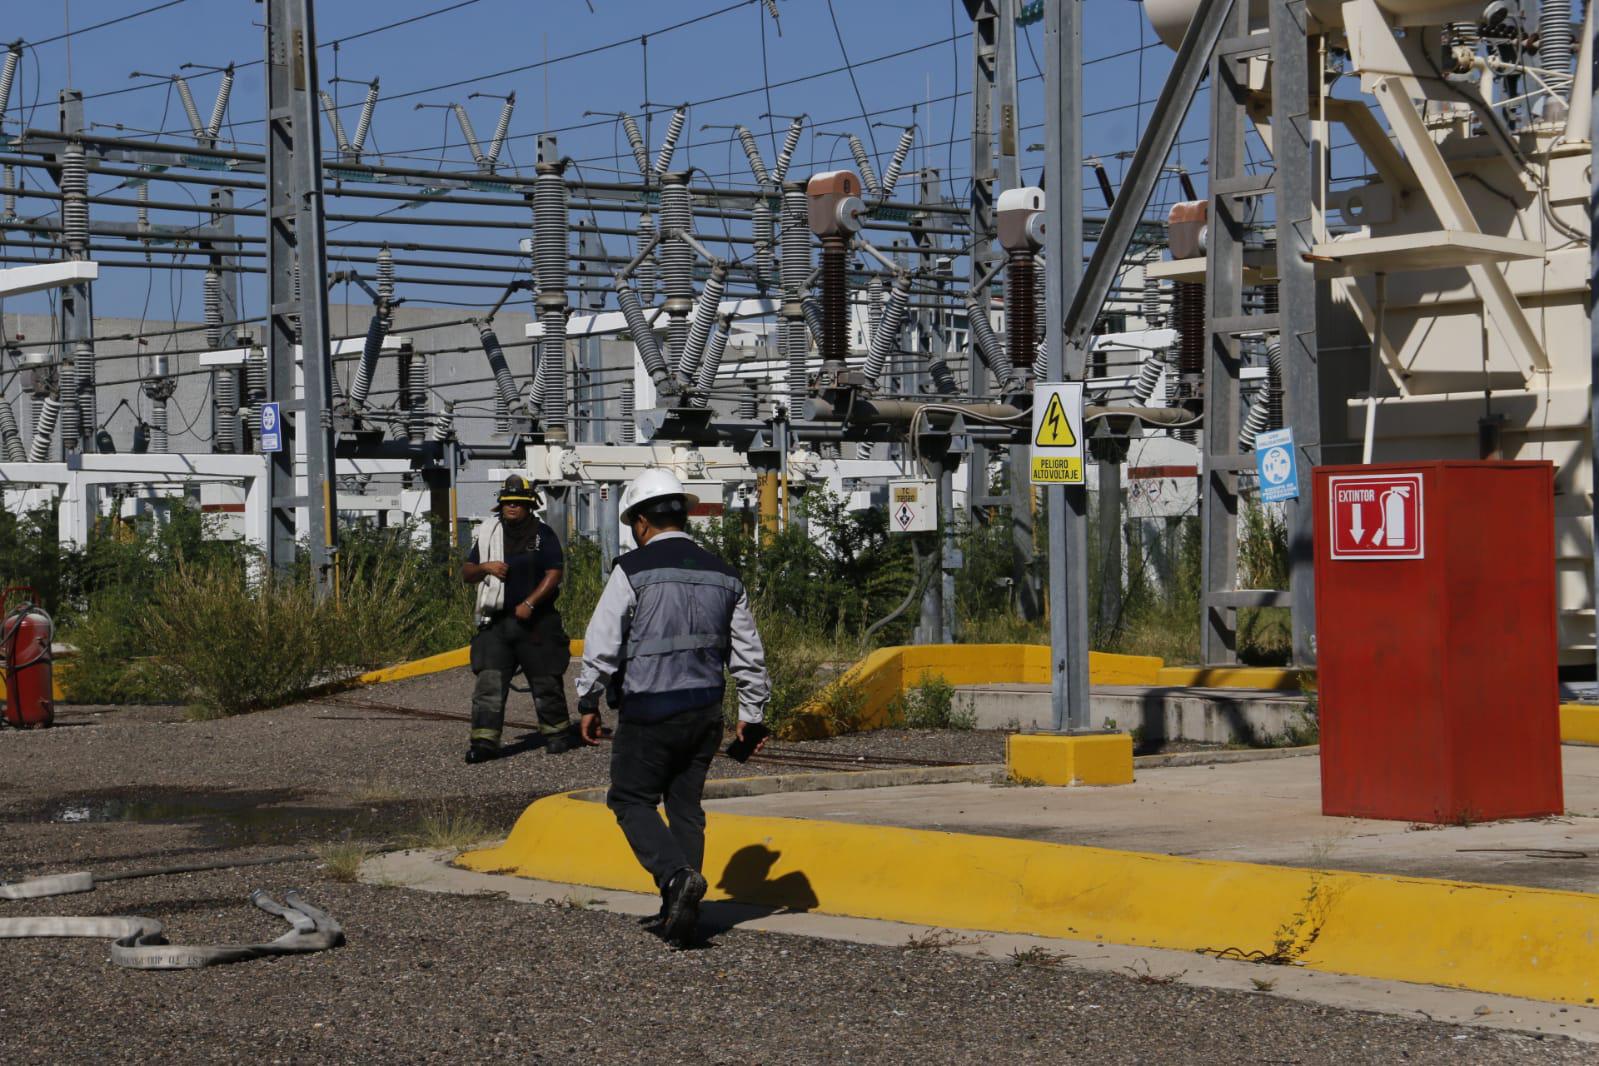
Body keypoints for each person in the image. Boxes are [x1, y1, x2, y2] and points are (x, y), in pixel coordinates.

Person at [575, 469, 771, 947]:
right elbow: (749, 653)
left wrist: (588, 697)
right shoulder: (724, 574)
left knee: (630, 799)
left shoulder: (633, 569)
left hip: (649, 710)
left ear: (641, 522)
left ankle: (675, 878)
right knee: (685, 808)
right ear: (683, 514)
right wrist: (753, 713)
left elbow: (603, 641)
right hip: (704, 712)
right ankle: (679, 912)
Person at [460, 474, 575, 765]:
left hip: (537, 622)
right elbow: (467, 573)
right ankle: (484, 742)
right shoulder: (489, 534)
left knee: (545, 679)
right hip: (497, 622)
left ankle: (557, 734)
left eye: (518, 503)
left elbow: (554, 573)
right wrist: (485, 567)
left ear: (529, 506)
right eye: (507, 502)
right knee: (488, 682)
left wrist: (530, 603)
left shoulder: (542, 534)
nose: (512, 507)